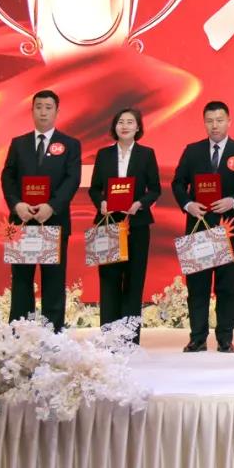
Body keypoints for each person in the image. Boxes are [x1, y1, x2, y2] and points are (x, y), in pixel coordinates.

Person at [172, 100, 234, 353]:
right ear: (204, 123)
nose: (215, 125)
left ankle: (225, 338)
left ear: (229, 121)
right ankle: (197, 338)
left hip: (228, 228)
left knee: (226, 285)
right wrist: (188, 204)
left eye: (219, 120)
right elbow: (178, 183)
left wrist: (233, 201)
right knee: (197, 286)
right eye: (210, 121)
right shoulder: (192, 151)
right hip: (198, 227)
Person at [0, 90, 82, 332]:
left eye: (48, 107)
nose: (43, 112)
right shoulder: (19, 143)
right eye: (38, 107)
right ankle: (20, 332)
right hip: (22, 221)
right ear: (32, 110)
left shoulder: (70, 144)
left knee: (54, 280)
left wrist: (52, 206)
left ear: (57, 111)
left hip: (54, 221)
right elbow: (7, 177)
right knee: (21, 280)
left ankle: (52, 334)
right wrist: (17, 204)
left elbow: (72, 179)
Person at [88, 108, 161, 343]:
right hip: (108, 224)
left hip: (136, 224)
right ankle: (109, 337)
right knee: (109, 279)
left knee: (134, 279)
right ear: (115, 127)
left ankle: (130, 338)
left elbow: (155, 189)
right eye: (121, 122)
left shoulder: (146, 154)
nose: (125, 126)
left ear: (138, 127)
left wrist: (140, 203)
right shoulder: (104, 155)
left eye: (130, 122)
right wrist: (101, 202)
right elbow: (94, 188)